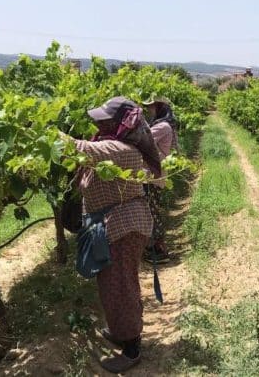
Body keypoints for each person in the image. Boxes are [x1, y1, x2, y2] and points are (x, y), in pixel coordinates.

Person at [63, 96, 162, 373]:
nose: (98, 121)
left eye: (105, 118)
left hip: (123, 226)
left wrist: (34, 130)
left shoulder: (119, 149)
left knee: (120, 286)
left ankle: (131, 348)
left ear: (120, 123)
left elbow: (76, 148)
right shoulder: (113, 144)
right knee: (114, 284)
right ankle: (122, 331)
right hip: (118, 224)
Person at [142, 95, 179, 263]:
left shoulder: (162, 126)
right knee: (150, 210)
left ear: (160, 108)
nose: (149, 110)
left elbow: (143, 140)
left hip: (152, 176)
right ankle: (153, 248)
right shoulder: (162, 124)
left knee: (151, 211)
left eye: (152, 107)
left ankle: (158, 250)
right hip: (152, 175)